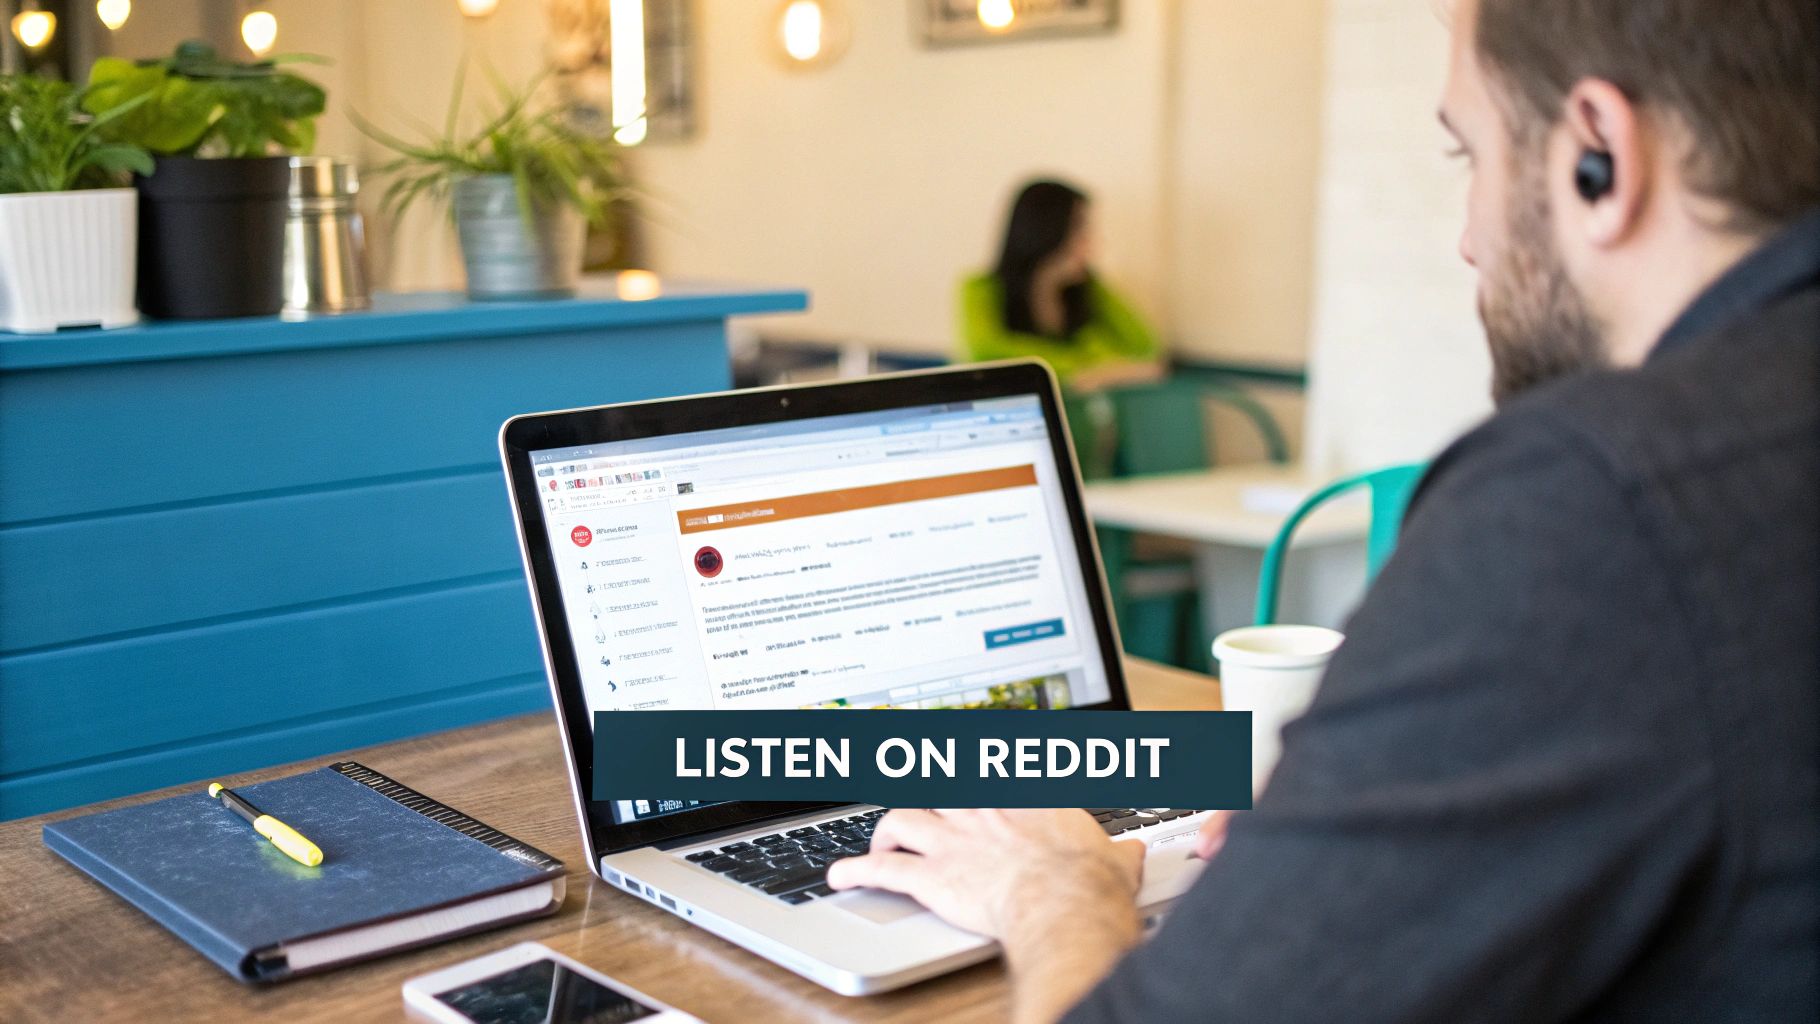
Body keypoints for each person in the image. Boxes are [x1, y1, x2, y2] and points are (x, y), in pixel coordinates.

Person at [831, 0, 1820, 1020]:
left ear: (1598, 154)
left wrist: (1053, 885)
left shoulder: (1590, 501)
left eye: (1467, 153)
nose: (1468, 238)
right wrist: (1346, 831)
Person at [959, 179, 1164, 392]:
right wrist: (1090, 369)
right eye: (1081, 231)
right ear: (1045, 231)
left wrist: (1096, 370)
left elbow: (1145, 348)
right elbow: (985, 354)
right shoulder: (979, 289)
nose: (1093, 243)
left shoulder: (1088, 288)